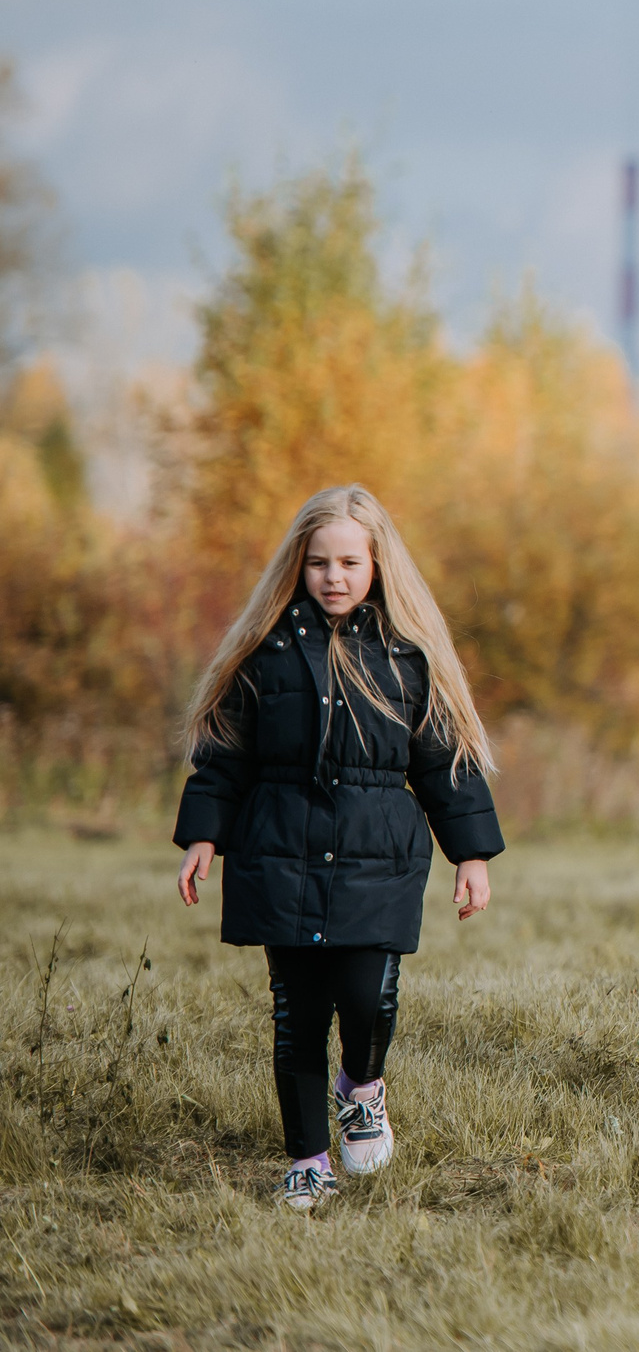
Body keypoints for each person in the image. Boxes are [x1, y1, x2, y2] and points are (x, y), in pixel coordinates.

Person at [172, 485, 504, 1210]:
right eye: (319, 562)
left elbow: (444, 758)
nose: (334, 576)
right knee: (295, 1014)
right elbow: (225, 754)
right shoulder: (265, 655)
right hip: (279, 850)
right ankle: (307, 1159)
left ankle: (361, 1085)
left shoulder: (406, 658)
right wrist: (202, 833)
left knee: (367, 997)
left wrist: (471, 855)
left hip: (375, 856)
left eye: (350, 561)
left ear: (377, 563)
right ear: (298, 564)